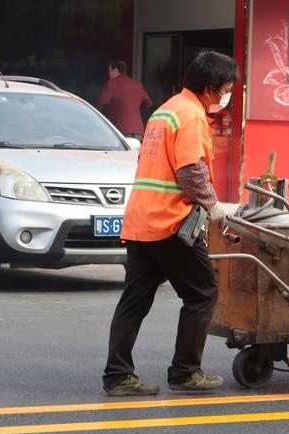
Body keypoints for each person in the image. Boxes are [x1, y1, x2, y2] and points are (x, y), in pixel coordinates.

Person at [102, 51, 239, 396]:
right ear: (210, 89)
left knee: (134, 299)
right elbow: (190, 172)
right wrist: (214, 206)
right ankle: (185, 372)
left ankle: (118, 376)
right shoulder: (191, 115)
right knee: (202, 293)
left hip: (141, 221)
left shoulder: (165, 110)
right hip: (170, 222)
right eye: (226, 89)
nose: (227, 96)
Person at [96, 59, 152, 140]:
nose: (108, 74)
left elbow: (100, 104)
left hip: (119, 130)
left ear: (115, 70)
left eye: (109, 71)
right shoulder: (137, 85)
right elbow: (148, 103)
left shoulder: (111, 84)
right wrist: (135, 111)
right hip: (138, 131)